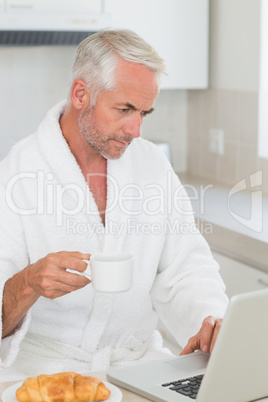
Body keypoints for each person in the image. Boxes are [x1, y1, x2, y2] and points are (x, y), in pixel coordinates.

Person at [0, 29, 228, 380]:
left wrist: (212, 320)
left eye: (144, 113)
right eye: (124, 109)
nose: (135, 130)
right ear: (81, 94)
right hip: (42, 372)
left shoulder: (151, 164)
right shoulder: (19, 171)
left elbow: (186, 269)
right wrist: (28, 282)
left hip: (138, 365)